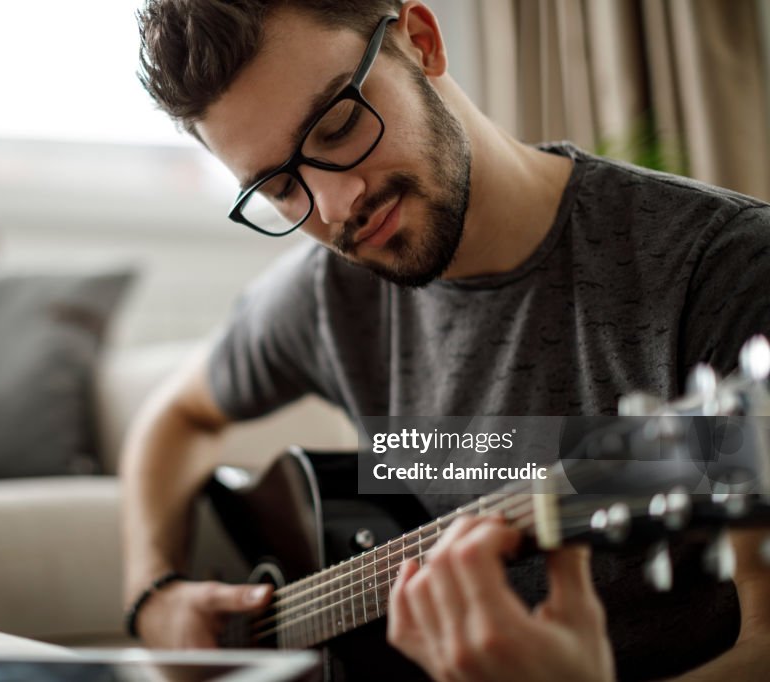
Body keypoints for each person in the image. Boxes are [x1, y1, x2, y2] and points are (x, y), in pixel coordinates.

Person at [122, 1, 770, 679]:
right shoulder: (324, 294)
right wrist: (152, 597)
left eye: (339, 125)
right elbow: (176, 418)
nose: (335, 205)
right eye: (279, 188)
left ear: (423, 42)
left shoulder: (721, 268)